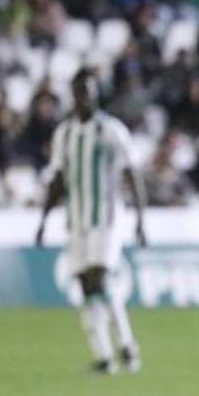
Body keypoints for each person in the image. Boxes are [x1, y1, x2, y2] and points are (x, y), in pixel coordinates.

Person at [35, 69, 148, 374]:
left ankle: (126, 344)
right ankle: (105, 356)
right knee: (86, 284)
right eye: (80, 91)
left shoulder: (111, 130)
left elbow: (131, 173)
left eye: (90, 90)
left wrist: (141, 219)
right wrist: (43, 220)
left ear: (97, 93)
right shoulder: (65, 134)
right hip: (77, 218)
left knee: (99, 276)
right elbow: (57, 178)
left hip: (108, 217)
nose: (85, 97)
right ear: (74, 95)